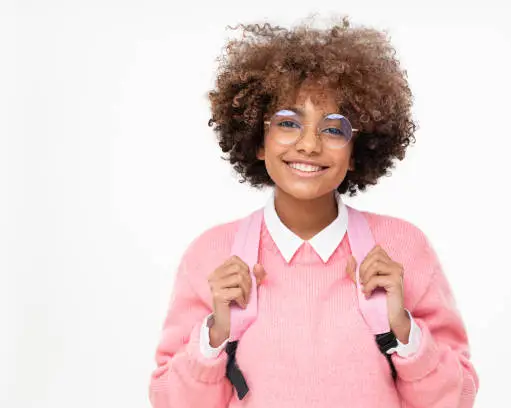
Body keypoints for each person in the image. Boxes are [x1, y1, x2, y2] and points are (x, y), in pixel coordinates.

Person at [148, 16, 478, 408]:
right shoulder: (210, 255)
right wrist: (215, 334)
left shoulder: (403, 249)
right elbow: (168, 400)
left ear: (357, 151)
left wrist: (404, 330)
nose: (308, 144)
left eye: (334, 129)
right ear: (258, 140)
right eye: (288, 123)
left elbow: (458, 398)